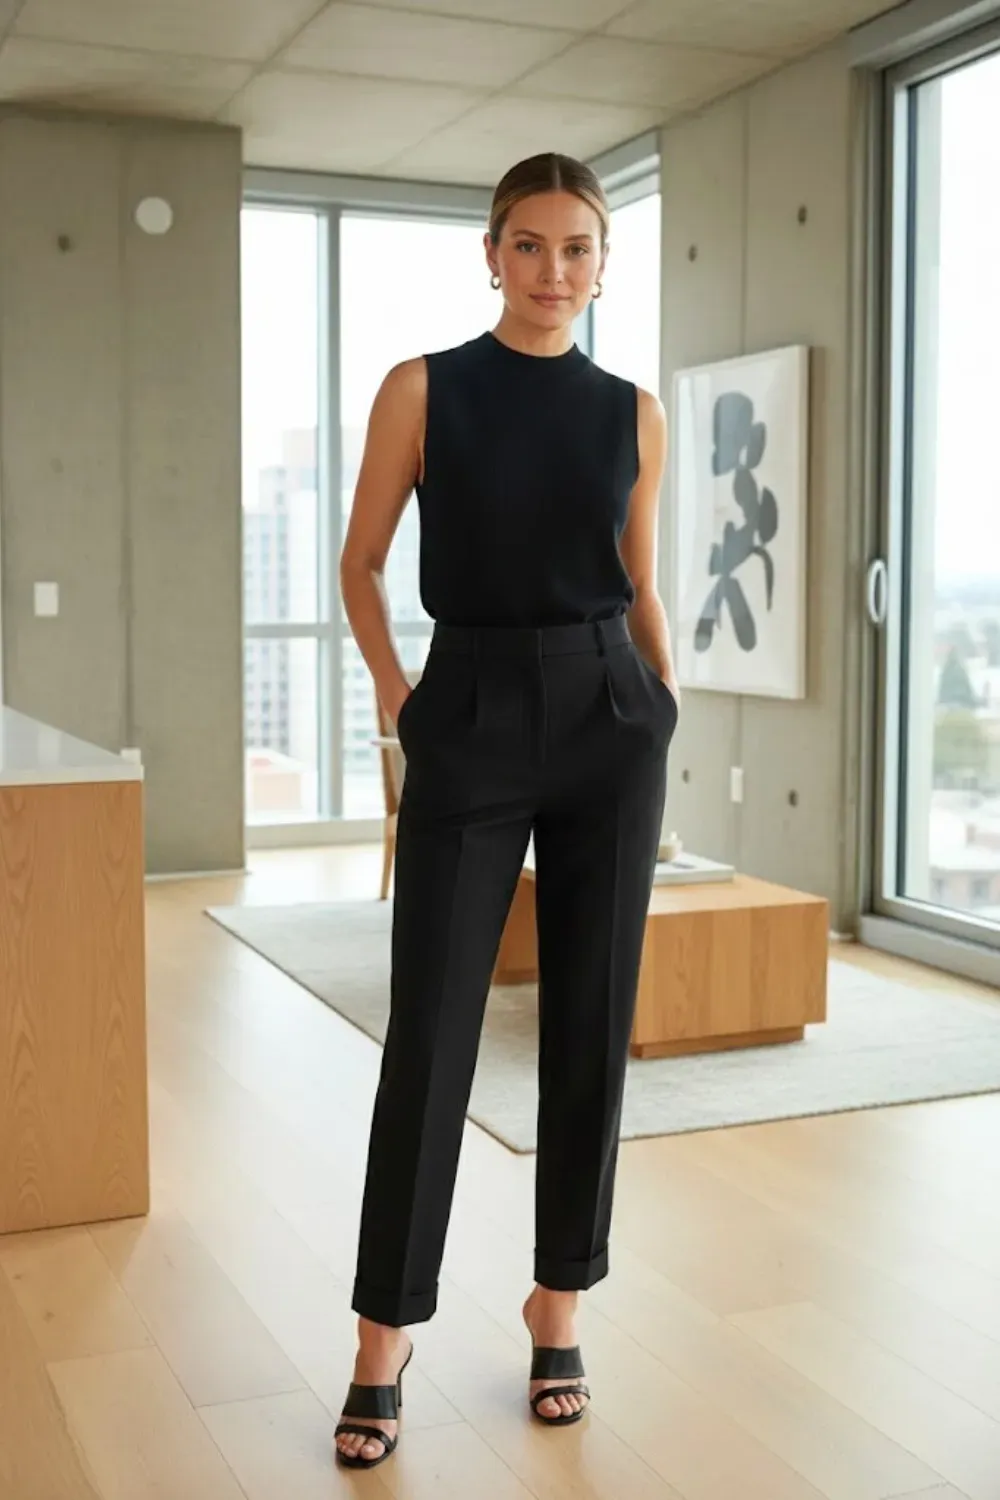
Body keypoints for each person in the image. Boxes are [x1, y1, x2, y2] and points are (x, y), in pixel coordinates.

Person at [335, 151, 679, 1470]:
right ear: (491, 255)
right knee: (431, 1028)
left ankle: (559, 1305)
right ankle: (383, 1335)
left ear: (603, 263)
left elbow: (639, 580)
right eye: (528, 245)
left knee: (591, 1019)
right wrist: (398, 695)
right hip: (469, 709)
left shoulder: (634, 412)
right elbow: (364, 561)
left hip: (609, 715)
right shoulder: (424, 388)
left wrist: (663, 702)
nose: (552, 270)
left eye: (576, 247)